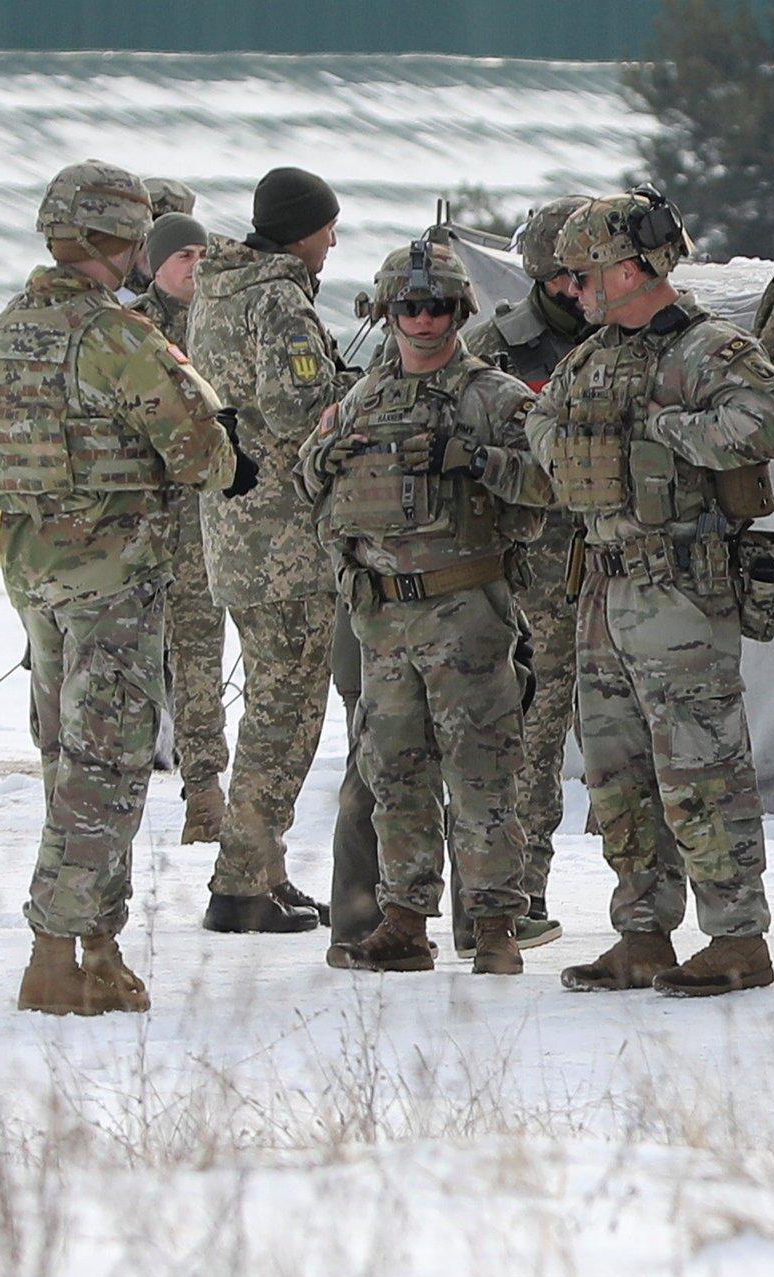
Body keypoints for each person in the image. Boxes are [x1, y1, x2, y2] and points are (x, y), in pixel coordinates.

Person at [0, 160, 248, 1015]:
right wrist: (232, 455)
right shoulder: (114, 337)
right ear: (118, 241)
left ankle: (101, 948)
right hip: (113, 583)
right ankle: (54, 953)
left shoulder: (5, 331)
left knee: (71, 762)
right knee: (109, 768)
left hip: (37, 576)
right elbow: (201, 456)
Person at [527, 187, 774, 998]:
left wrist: (660, 430)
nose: (574, 289)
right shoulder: (592, 356)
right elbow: (541, 428)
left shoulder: (708, 349)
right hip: (603, 589)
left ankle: (736, 937)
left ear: (634, 267)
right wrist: (582, 445)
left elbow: (760, 423)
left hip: (679, 589)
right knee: (615, 771)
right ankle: (643, 930)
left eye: (586, 272)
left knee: (701, 767)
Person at [297, 240, 549, 974]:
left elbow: (546, 488)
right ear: (387, 312)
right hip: (382, 619)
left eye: (439, 305)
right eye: (409, 306)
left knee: (482, 775)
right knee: (394, 773)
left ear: (460, 310)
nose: (424, 319)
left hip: (466, 610)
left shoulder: (494, 398)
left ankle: (496, 924)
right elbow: (312, 485)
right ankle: (403, 920)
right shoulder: (360, 401)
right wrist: (326, 463)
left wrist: (474, 460)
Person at [409, 193, 601, 957]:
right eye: (572, 274)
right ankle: (515, 895)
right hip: (536, 573)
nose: (582, 288)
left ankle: (645, 902)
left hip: (619, 563)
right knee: (527, 741)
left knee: (629, 743)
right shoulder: (494, 349)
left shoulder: (626, 335)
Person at [186, 166, 354, 935]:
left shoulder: (219, 290)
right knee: (283, 722)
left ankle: (267, 871)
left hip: (237, 535)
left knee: (269, 707)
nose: (331, 240)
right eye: (326, 225)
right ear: (298, 228)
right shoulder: (279, 299)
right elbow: (299, 411)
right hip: (287, 544)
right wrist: (355, 395)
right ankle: (240, 887)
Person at [132, 211, 231, 845]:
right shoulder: (130, 330)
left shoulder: (218, 323)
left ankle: (205, 791)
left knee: (198, 662)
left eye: (202, 253)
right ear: (155, 263)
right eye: (182, 256)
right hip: (138, 525)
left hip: (200, 529)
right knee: (129, 662)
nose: (195, 266)